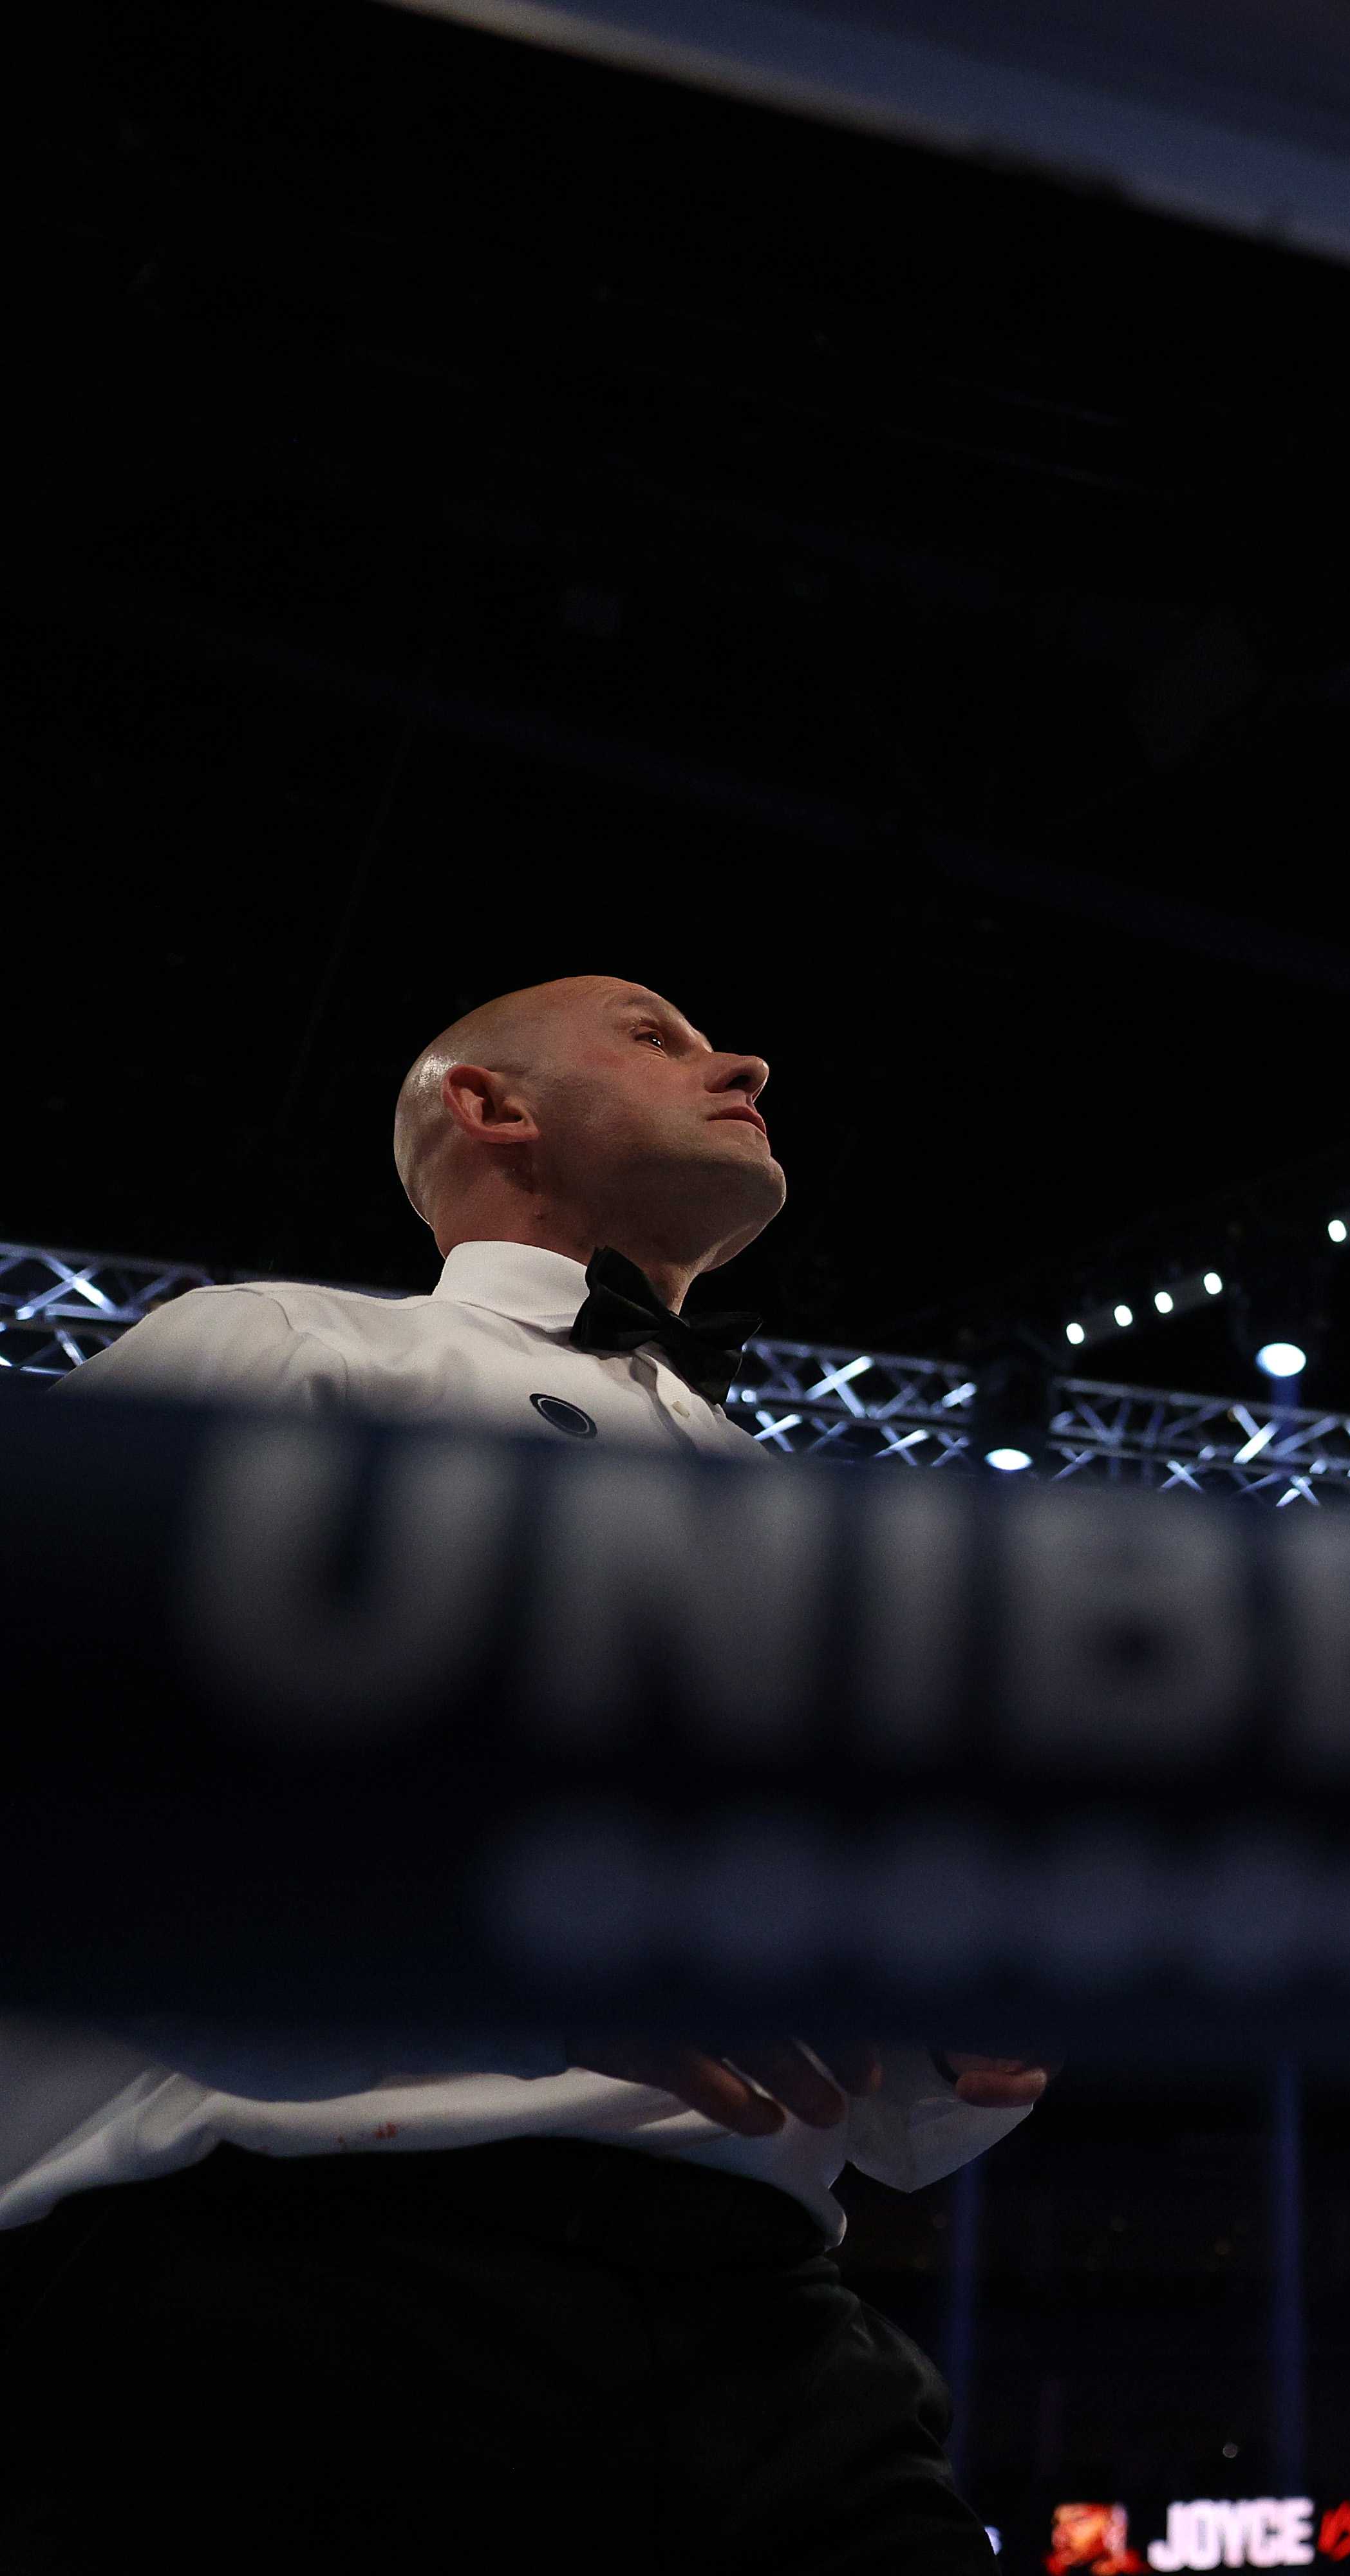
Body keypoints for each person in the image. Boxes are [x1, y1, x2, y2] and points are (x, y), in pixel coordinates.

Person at [1, 976, 1039, 2570]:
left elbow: (878, 2092)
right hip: (308, 2280)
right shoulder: (288, 1344)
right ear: (493, 1107)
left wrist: (968, 2014)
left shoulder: (810, 1521)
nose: (741, 1057)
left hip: (773, 2318)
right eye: (655, 1031)